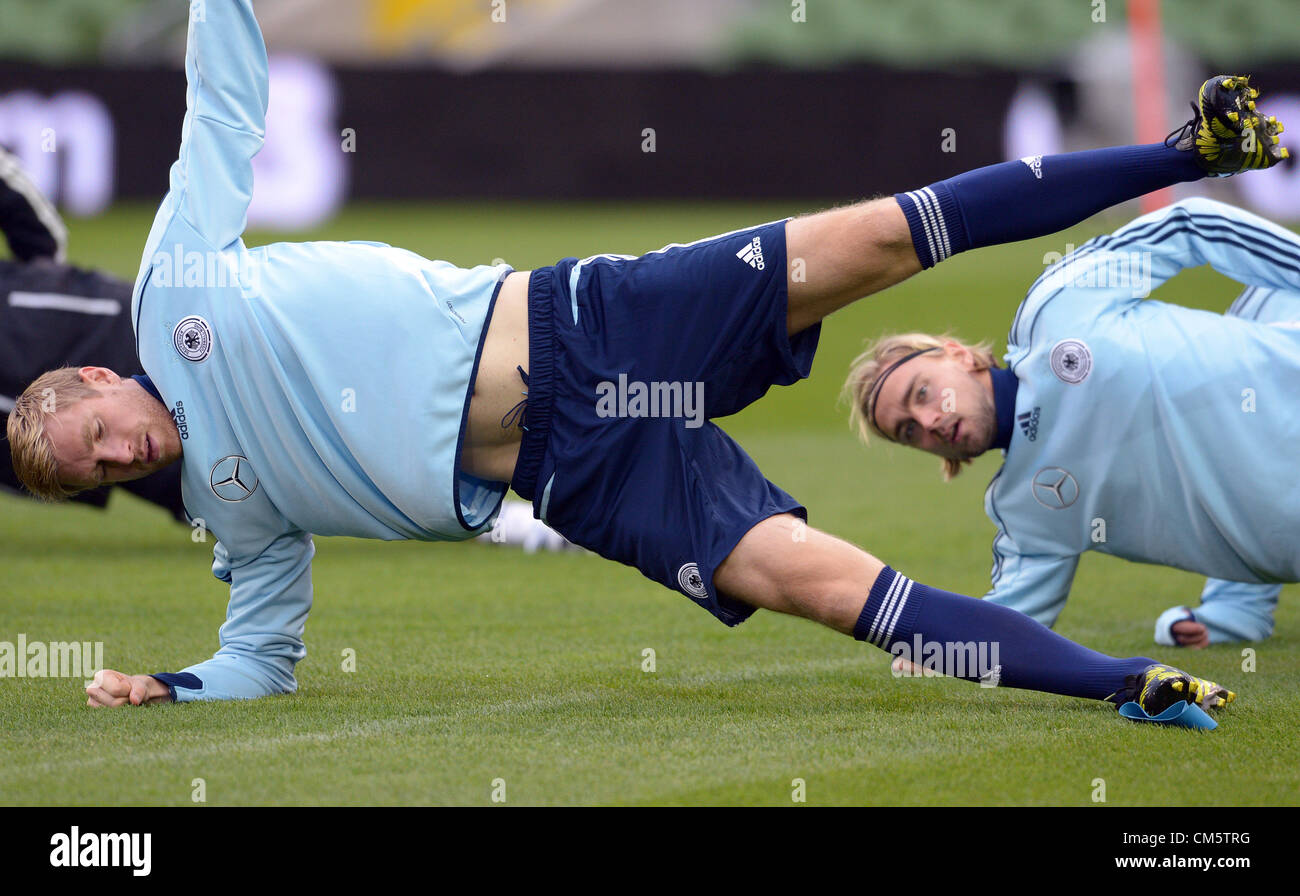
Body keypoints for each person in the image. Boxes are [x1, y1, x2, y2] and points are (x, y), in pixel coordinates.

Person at [8, 1, 1284, 720]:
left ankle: (1187, 150)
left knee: (883, 239)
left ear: (104, 380)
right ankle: (1126, 682)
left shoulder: (176, 282)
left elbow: (221, 105)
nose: (123, 458)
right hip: (580, 471)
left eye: (97, 436)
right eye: (95, 473)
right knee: (822, 589)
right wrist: (166, 688)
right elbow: (262, 655)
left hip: (588, 322)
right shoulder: (230, 506)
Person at [847, 196, 1300, 650]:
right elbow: (1003, 633)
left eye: (921, 392)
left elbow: (1192, 223)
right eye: (909, 431)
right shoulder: (1029, 516)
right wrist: (942, 651)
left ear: (958, 354)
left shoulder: (1057, 306)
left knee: (1271, 295)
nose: (929, 421)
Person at [0, 147, 186, 522]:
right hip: (77, 450)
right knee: (199, 490)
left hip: (104, 335)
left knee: (210, 371)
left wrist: (42, 269)